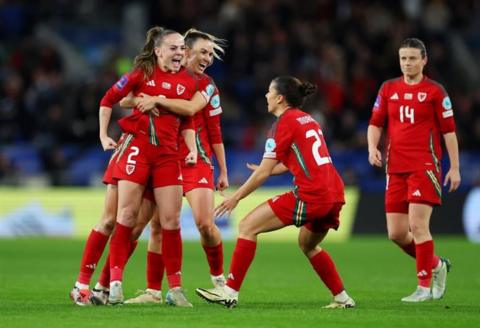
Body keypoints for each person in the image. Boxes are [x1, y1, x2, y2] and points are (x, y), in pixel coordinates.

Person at [195, 76, 355, 309]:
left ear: (280, 98)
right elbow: (301, 161)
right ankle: (342, 298)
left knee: (248, 226)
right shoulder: (307, 119)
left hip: (313, 194)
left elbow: (262, 174)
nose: (266, 96)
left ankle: (229, 292)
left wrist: (235, 197)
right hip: (335, 193)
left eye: (269, 91)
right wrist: (266, 170)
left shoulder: (283, 124)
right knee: (308, 245)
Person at [98, 26, 208, 307]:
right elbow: (111, 98)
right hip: (138, 152)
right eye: (173, 48)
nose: (180, 53)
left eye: (183, 48)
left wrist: (193, 149)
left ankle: (175, 288)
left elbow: (188, 120)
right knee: (126, 217)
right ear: (158, 51)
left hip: (168, 157)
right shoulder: (141, 74)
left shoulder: (189, 82)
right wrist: (103, 135)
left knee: (171, 221)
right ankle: (114, 283)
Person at [121, 28, 230, 304]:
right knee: (155, 226)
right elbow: (126, 100)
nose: (208, 58)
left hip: (196, 160)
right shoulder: (158, 76)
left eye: (210, 53)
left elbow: (204, 120)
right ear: (186, 52)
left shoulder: (206, 85)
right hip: (164, 157)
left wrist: (223, 170)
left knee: (205, 223)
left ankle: (220, 281)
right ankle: (151, 291)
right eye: (203, 52)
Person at [367, 38, 460, 302]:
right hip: (395, 167)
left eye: (412, 58)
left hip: (424, 166)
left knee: (418, 226)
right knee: (396, 233)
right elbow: (375, 123)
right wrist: (372, 147)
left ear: (424, 60)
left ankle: (423, 287)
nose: (407, 63)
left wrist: (454, 167)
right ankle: (437, 265)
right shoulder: (388, 88)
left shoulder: (435, 92)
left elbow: (449, 132)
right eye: (403, 59)